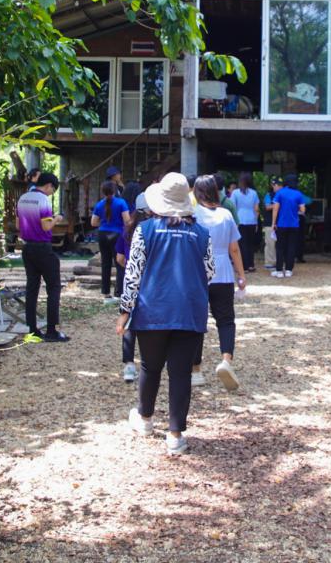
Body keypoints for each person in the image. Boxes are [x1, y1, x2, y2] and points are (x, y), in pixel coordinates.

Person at [116, 172, 214, 455]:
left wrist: (125, 310)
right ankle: (175, 435)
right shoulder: (201, 233)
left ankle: (145, 419)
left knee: (150, 366)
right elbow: (210, 271)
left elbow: (133, 273)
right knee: (181, 372)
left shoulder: (145, 230)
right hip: (189, 310)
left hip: (152, 309)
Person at [191, 175, 245, 391]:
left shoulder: (193, 215)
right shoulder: (226, 214)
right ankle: (226, 361)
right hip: (223, 272)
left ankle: (196, 370)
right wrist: (241, 275)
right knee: (226, 320)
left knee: (197, 321)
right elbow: (234, 249)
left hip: (198, 272)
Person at [16, 170, 70, 343]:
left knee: (32, 288)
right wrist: (57, 218)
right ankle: (51, 330)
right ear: (48, 186)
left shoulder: (23, 198)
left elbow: (18, 224)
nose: (51, 193)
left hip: (27, 248)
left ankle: (32, 329)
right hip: (43, 247)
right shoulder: (43, 200)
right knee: (53, 287)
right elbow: (46, 226)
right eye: (53, 190)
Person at [115, 202, 149, 383]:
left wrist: (129, 266)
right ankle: (150, 362)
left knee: (128, 320)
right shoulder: (151, 231)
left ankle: (129, 364)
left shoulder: (127, 230)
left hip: (130, 278)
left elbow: (119, 258)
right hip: (151, 281)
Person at [91, 181, 130, 301]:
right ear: (115, 191)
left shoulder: (99, 205)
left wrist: (104, 223)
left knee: (105, 263)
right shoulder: (121, 203)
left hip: (103, 234)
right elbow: (127, 220)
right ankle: (119, 293)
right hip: (117, 235)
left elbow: (93, 223)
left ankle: (105, 292)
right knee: (120, 263)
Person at [271, 173, 306, 278]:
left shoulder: (280, 193)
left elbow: (275, 209)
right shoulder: (298, 194)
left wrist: (273, 223)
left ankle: (279, 271)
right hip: (294, 225)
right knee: (291, 247)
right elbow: (303, 210)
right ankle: (288, 270)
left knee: (280, 247)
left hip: (282, 224)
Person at [231, 172, 260, 273]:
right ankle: (251, 265)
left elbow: (233, 208)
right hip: (251, 220)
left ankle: (244, 266)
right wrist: (256, 222)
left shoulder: (235, 193)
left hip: (240, 220)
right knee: (250, 243)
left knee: (242, 244)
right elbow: (256, 209)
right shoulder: (254, 193)